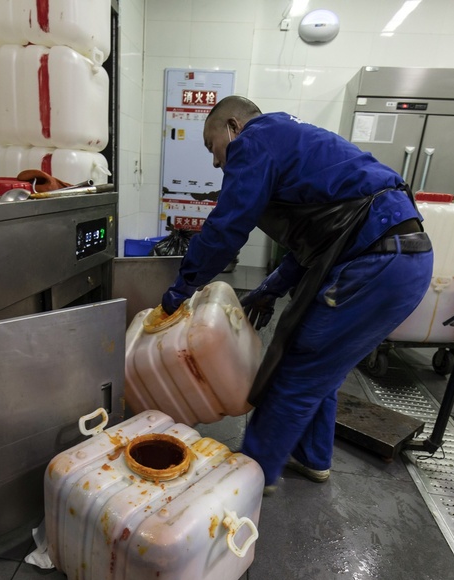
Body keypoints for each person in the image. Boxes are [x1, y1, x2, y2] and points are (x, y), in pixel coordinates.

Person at [159, 96, 433, 493]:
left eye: (211, 145)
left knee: (298, 367)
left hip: (377, 260)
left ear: (233, 127)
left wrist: (182, 287)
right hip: (399, 258)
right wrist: (270, 289)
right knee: (323, 365)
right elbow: (323, 237)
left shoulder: (255, 141)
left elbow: (227, 227)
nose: (216, 161)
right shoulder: (289, 138)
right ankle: (312, 456)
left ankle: (247, 482)